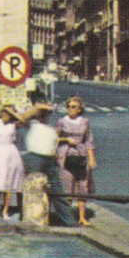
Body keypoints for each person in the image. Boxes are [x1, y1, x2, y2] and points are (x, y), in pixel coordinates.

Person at [20, 101, 78, 226]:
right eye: (42, 114)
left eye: (46, 114)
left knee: (57, 190)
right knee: (34, 188)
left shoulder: (49, 128)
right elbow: (23, 117)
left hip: (50, 160)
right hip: (35, 158)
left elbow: (53, 143)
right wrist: (38, 107)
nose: (44, 116)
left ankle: (69, 220)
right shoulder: (31, 124)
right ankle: (32, 219)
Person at [55, 96, 96, 224]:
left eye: (73, 107)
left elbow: (88, 139)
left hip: (81, 156)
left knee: (82, 186)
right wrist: (66, 140)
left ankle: (82, 217)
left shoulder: (85, 121)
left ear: (79, 109)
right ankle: (66, 217)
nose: (70, 109)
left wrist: (92, 158)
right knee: (67, 186)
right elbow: (54, 138)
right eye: (69, 106)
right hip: (66, 156)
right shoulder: (61, 122)